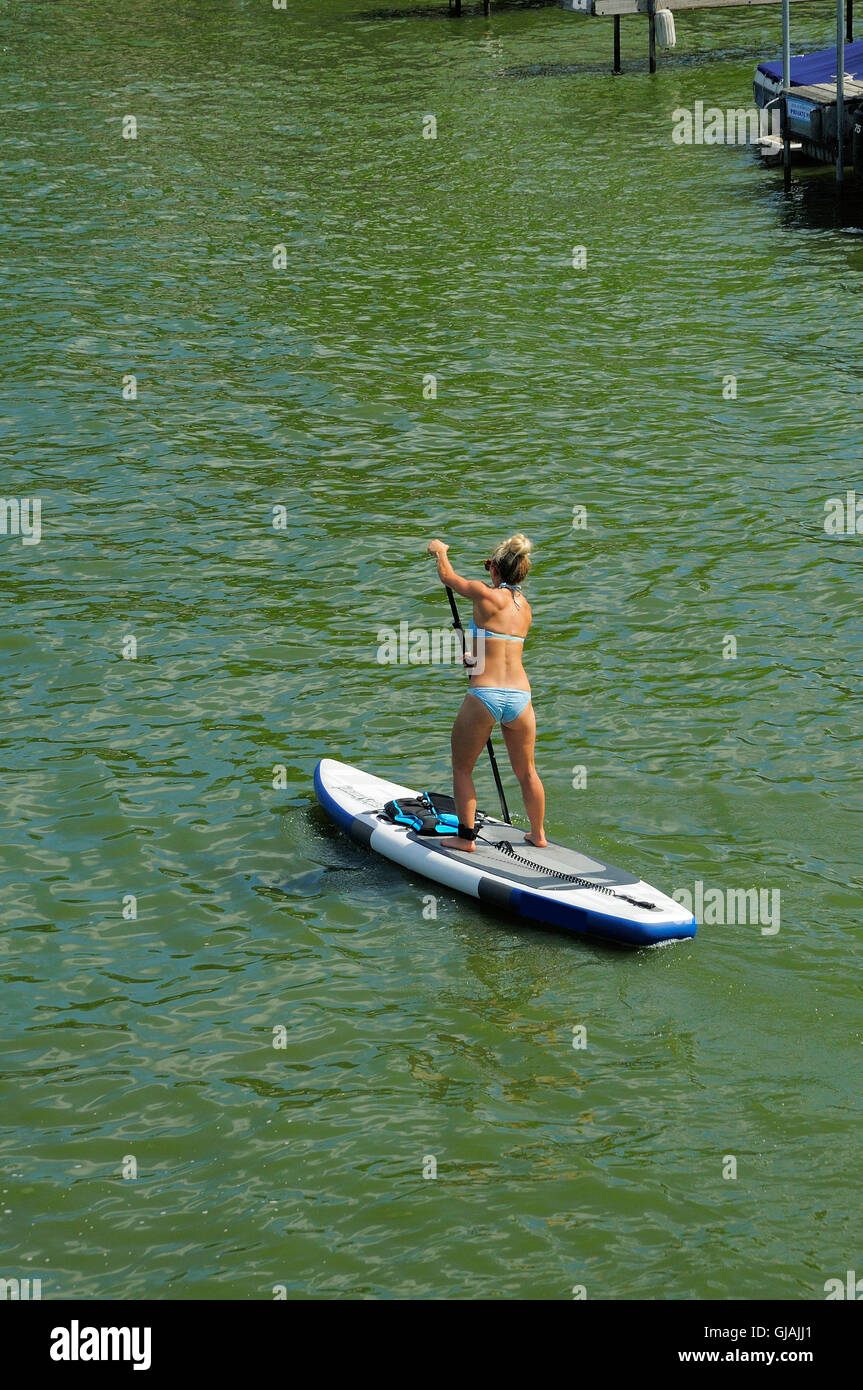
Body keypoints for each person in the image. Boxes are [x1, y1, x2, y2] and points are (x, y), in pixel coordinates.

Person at [426, 533, 546, 852]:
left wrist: (441, 552)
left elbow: (448, 577)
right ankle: (538, 834)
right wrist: (475, 659)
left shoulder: (484, 594)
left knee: (463, 767)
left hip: (485, 695)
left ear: (494, 570)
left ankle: (465, 840)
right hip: (521, 698)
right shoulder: (526, 609)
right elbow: (502, 649)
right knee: (527, 771)